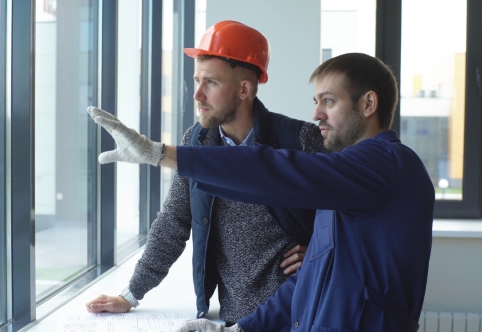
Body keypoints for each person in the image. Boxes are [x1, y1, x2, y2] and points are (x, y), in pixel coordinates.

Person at [87, 52, 435, 331]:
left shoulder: (388, 164)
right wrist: (241, 329)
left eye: (328, 101)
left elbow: (277, 171)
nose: (316, 114)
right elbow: (308, 281)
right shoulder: (347, 182)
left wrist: (160, 154)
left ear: (368, 104)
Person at [85, 20, 328, 325]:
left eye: (210, 82)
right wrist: (130, 294)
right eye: (196, 80)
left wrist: (323, 251)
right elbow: (174, 222)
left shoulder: (302, 140)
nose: (197, 94)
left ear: (244, 89)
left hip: (298, 315)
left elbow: (350, 215)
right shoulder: (196, 141)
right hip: (233, 319)